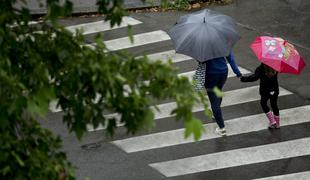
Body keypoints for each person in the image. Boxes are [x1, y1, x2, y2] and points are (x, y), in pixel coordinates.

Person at [203, 52, 242, 136]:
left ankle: (222, 128)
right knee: (219, 90)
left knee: (213, 100)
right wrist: (238, 73)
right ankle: (216, 113)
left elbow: (200, 61)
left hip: (211, 74)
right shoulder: (223, 41)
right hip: (223, 72)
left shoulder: (202, 46)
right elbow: (231, 58)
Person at [240, 63, 280, 129]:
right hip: (274, 89)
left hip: (265, 90)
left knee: (263, 104)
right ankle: (277, 124)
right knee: (274, 105)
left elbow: (254, 77)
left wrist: (243, 79)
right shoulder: (275, 66)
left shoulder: (260, 68)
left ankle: (272, 121)